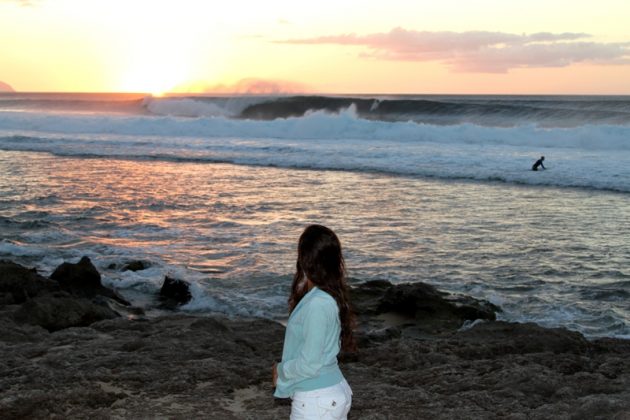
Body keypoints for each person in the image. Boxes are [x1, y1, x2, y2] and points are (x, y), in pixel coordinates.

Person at [273, 224, 356, 419]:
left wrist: (281, 370)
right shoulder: (327, 296)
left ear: (304, 259)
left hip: (317, 400)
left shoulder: (318, 303)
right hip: (328, 394)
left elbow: (310, 363)